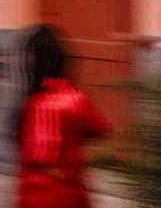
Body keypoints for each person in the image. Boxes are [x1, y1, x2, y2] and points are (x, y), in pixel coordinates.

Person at [13, 25, 111, 208]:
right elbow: (102, 129)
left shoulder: (28, 103)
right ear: (62, 61)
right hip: (66, 196)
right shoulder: (74, 100)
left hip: (29, 196)